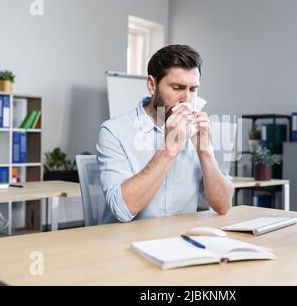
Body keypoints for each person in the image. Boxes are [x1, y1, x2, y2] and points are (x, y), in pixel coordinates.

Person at [97, 44, 233, 223]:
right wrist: (169, 149)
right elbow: (122, 210)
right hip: (126, 243)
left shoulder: (194, 132)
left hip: (180, 241)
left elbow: (223, 205)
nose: (187, 99)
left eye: (193, 89)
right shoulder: (114, 131)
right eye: (177, 87)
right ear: (152, 85)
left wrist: (205, 150)